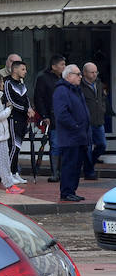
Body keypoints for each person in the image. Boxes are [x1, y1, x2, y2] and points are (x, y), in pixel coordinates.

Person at [53, 64, 89, 202]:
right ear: (68, 76)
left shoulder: (76, 90)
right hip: (70, 137)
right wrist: (76, 126)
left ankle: (72, 191)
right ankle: (66, 192)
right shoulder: (62, 91)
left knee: (76, 166)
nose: (80, 76)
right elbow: (62, 114)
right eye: (77, 74)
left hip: (79, 136)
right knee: (69, 165)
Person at [34, 54, 65, 181]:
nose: (64, 67)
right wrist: (44, 115)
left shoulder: (65, 78)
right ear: (54, 66)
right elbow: (39, 98)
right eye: (62, 64)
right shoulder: (43, 78)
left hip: (65, 118)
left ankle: (63, 172)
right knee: (55, 144)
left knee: (65, 145)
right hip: (52, 117)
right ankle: (55, 173)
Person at [3, 59, 32, 179]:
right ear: (15, 69)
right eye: (23, 69)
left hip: (22, 119)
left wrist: (30, 108)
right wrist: (26, 110)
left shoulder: (21, 83)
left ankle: (15, 172)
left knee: (18, 146)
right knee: (13, 146)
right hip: (13, 118)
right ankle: (8, 174)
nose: (25, 72)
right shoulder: (7, 83)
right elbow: (11, 102)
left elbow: (26, 99)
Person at [81, 62, 108, 180]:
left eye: (96, 72)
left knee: (102, 145)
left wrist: (102, 108)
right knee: (87, 147)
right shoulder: (80, 85)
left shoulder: (99, 83)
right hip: (86, 122)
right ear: (85, 73)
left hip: (99, 120)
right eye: (92, 72)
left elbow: (103, 98)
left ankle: (88, 164)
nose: (94, 74)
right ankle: (89, 171)